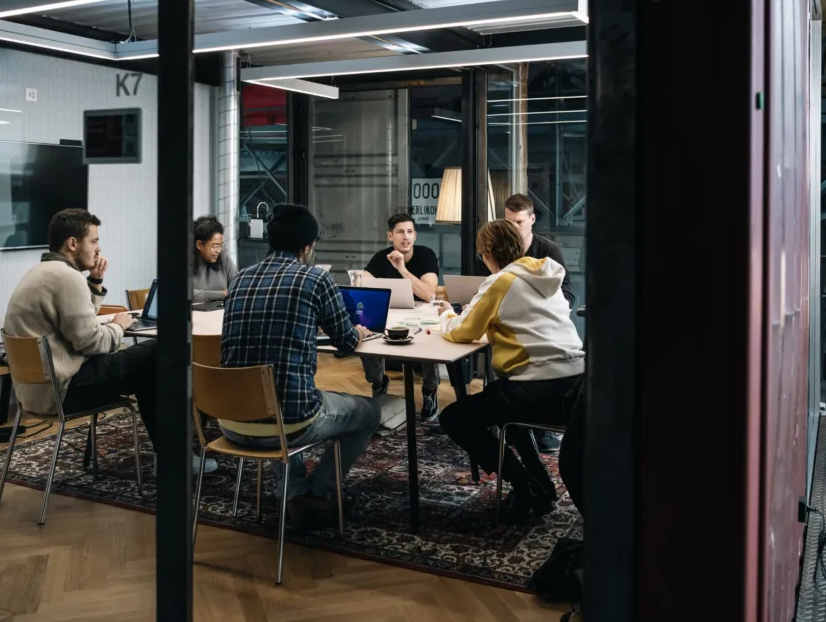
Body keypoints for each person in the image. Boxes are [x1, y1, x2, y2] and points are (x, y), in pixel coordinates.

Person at [2, 208, 216, 476]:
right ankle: (176, 457)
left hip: (34, 393)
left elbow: (79, 325)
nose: (98, 248)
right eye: (93, 241)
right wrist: (118, 325)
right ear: (73, 243)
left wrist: (95, 282)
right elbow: (91, 343)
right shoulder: (66, 278)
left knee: (148, 369)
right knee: (157, 351)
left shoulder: (41, 273)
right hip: (65, 390)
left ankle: (172, 456)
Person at [220, 204, 380, 528]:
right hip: (287, 423)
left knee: (277, 395)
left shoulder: (239, 280)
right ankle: (318, 494)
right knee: (368, 413)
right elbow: (347, 343)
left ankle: (292, 493)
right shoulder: (315, 279)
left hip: (230, 419)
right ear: (307, 248)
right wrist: (359, 331)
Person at [437, 220, 585, 522]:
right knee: (503, 406)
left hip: (537, 387)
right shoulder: (546, 277)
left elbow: (462, 332)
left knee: (455, 418)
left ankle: (525, 486)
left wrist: (446, 315)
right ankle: (540, 485)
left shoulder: (500, 282)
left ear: (488, 254)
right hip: (577, 388)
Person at [475, 193, 574, 452]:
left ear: (532, 219)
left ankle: (533, 436)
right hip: (556, 365)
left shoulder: (549, 253)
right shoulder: (499, 260)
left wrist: (538, 308)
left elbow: (568, 294)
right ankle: (520, 434)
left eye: (517, 222)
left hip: (543, 350)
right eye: (508, 222)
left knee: (514, 382)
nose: (512, 228)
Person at [361, 213, 442, 422]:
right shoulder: (381, 256)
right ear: (390, 236)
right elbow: (362, 285)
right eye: (400, 232)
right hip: (392, 314)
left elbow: (429, 294)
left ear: (415, 235)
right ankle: (378, 382)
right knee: (364, 328)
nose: (405, 237)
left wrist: (402, 269)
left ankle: (430, 390)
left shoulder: (425, 255)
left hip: (421, 316)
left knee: (430, 336)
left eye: (409, 232)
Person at [191, 214, 238, 302]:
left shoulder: (224, 260)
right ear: (199, 245)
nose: (219, 250)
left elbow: (237, 289)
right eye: (214, 246)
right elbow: (187, 295)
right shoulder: (186, 261)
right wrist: (223, 294)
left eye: (221, 245)